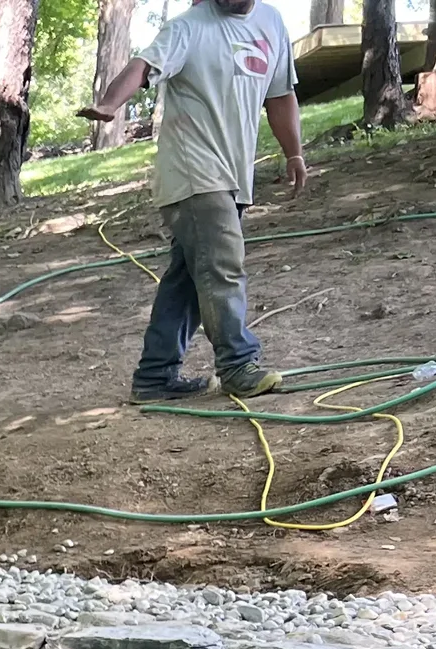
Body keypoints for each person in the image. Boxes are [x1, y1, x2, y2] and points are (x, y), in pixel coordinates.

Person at [83, 0, 308, 403]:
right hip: (194, 173)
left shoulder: (272, 24)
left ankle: (155, 376)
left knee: (187, 279)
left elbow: (280, 96)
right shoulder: (188, 27)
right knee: (222, 264)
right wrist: (109, 104)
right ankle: (237, 365)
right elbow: (142, 66)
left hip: (233, 175)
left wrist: (294, 153)